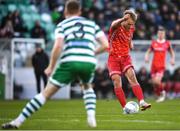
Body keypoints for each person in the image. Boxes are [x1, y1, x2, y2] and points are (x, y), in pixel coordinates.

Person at [2, 0, 108, 129]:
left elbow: (58, 46)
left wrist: (51, 66)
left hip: (70, 61)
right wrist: (92, 52)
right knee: (87, 87)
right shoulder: (92, 24)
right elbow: (106, 45)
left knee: (45, 94)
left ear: (65, 11)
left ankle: (17, 122)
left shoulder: (62, 25)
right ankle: (91, 117)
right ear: (80, 11)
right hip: (89, 62)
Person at [107, 9, 151, 113]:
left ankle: (142, 102)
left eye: (133, 24)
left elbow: (129, 37)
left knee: (132, 76)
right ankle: (125, 108)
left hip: (125, 57)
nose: (131, 26)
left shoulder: (131, 28)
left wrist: (130, 43)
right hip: (113, 58)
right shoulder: (116, 26)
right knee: (117, 81)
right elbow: (113, 24)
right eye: (129, 23)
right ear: (124, 20)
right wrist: (122, 18)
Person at [145, 27, 175, 102]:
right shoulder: (154, 43)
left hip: (161, 66)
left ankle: (163, 93)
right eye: (159, 33)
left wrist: (172, 59)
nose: (161, 35)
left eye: (162, 33)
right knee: (154, 84)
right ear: (157, 34)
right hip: (153, 66)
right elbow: (148, 51)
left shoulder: (167, 43)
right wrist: (146, 57)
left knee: (157, 82)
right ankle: (158, 95)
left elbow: (172, 52)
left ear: (164, 34)